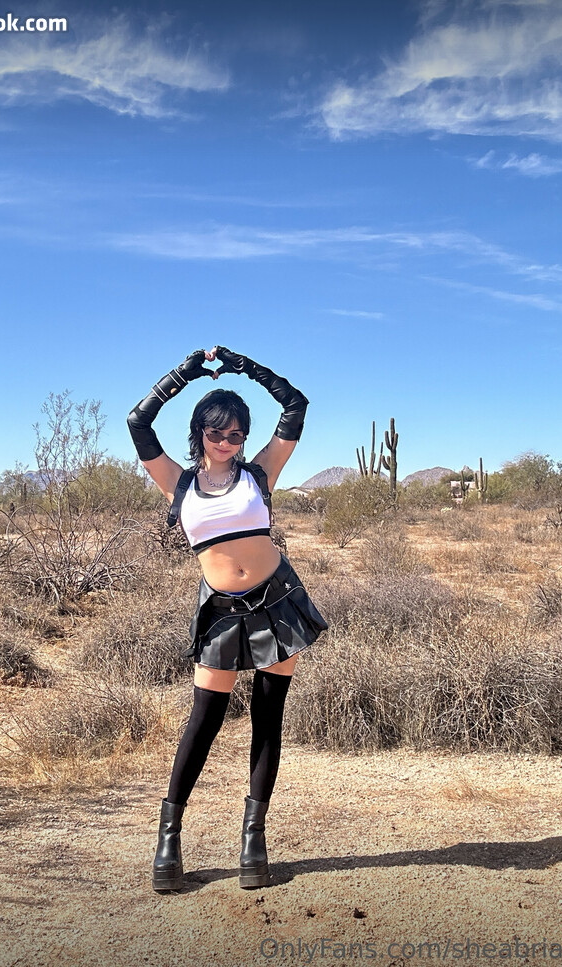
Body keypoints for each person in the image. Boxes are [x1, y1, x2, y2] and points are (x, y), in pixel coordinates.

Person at [127, 346, 327, 891]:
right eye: (218, 433)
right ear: (200, 433)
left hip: (276, 603)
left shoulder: (259, 474)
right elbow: (138, 422)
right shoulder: (177, 482)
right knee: (204, 720)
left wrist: (246, 366)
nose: (228, 442)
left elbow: (295, 405)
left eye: (237, 434)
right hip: (219, 612)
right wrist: (185, 373)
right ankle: (169, 839)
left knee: (268, 717)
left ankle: (253, 839)